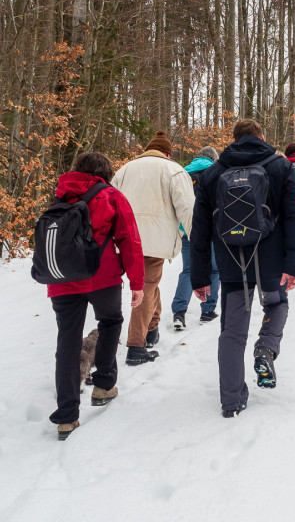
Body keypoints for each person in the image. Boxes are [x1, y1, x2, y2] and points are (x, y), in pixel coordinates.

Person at [190, 119, 295, 418]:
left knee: (232, 332)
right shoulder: (280, 167)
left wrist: (200, 276)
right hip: (272, 263)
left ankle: (231, 400)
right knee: (277, 303)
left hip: (231, 264)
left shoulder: (213, 173)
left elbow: (200, 229)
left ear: (234, 139)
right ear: (262, 137)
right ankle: (266, 347)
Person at [46, 152, 145, 440]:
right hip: (102, 276)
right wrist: (137, 282)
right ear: (106, 172)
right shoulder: (112, 196)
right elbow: (129, 239)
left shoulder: (60, 194)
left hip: (62, 278)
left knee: (67, 338)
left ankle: (66, 416)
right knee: (111, 321)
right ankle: (103, 385)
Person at [112, 130, 195, 365]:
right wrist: (195, 239)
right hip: (154, 241)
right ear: (167, 153)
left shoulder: (125, 169)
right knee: (147, 287)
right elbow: (187, 209)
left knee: (150, 284)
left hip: (123, 238)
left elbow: (111, 201)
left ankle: (152, 328)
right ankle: (136, 346)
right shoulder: (174, 170)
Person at [172, 146, 221, 330]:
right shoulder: (216, 172)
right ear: (213, 158)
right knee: (215, 270)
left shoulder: (182, 173)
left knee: (188, 270)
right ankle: (207, 311)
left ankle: (179, 312)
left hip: (188, 229)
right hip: (212, 228)